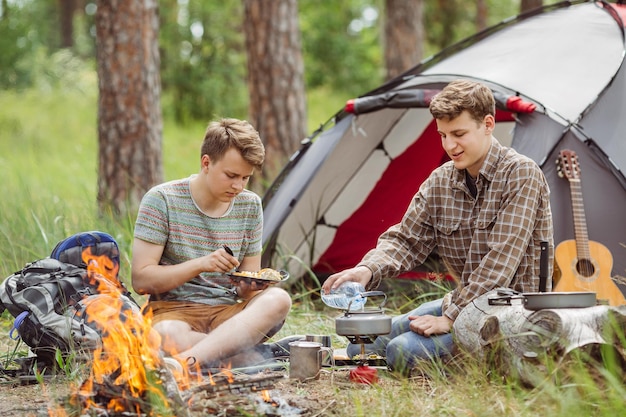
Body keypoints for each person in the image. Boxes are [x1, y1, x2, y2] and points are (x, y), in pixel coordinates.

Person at [322, 79, 554, 375]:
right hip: (462, 302)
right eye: (443, 135)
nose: (450, 146)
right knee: (361, 347)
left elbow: (500, 264)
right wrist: (367, 270)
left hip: (510, 315)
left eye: (459, 134)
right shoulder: (441, 180)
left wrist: (451, 317)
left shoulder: (521, 174)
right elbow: (406, 240)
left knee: (402, 352)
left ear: (488, 124)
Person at [131, 118, 297, 370]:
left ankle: (184, 363)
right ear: (206, 163)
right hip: (173, 311)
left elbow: (247, 291)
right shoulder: (162, 200)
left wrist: (251, 284)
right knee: (167, 335)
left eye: (246, 178)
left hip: (228, 314)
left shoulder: (249, 205)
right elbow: (141, 280)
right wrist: (201, 264)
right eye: (231, 175)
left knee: (278, 299)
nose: (238, 186)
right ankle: (246, 356)